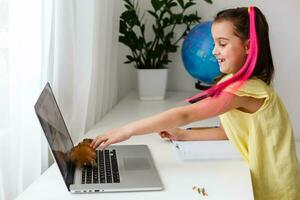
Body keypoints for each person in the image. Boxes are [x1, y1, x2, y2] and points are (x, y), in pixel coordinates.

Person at [91, 6, 300, 200]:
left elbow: (186, 115)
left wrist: (126, 130)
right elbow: (229, 131)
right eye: (214, 43)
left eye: (222, 44)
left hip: (276, 188)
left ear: (248, 46)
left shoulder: (247, 90)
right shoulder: (234, 82)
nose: (214, 51)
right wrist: (184, 135)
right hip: (265, 181)